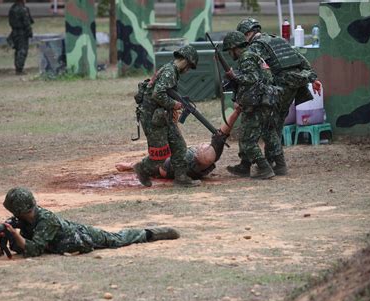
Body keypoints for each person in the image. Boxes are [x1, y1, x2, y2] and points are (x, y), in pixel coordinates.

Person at [236, 17, 322, 175]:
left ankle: (278, 164)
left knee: (269, 125)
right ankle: (272, 161)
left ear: (248, 33)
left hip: (280, 87)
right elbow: (301, 60)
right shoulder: (278, 40)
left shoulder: (256, 46)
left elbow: (251, 71)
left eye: (243, 37)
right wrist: (313, 79)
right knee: (277, 124)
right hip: (294, 86)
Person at [2, 187, 180, 257]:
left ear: (19, 210)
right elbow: (22, 248)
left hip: (81, 235)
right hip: (67, 238)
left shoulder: (45, 219)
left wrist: (16, 236)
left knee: (115, 239)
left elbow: (35, 250)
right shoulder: (25, 220)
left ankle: (150, 233)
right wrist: (10, 236)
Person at [133, 45, 201, 188]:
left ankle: (181, 177)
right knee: (160, 155)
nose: (187, 70)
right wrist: (174, 104)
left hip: (163, 116)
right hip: (153, 119)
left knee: (180, 146)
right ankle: (143, 168)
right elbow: (157, 94)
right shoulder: (170, 71)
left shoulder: (170, 69)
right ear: (185, 61)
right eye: (189, 66)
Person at [222, 31, 283, 179]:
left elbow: (252, 78)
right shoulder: (253, 55)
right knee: (269, 133)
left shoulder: (246, 57)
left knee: (248, 141)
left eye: (230, 51)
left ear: (235, 47)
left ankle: (265, 169)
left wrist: (234, 76)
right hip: (266, 101)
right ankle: (281, 165)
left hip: (258, 104)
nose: (230, 54)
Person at [116, 109, 239, 181]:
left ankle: (131, 165)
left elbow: (173, 149)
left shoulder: (186, 161)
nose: (201, 145)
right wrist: (237, 111)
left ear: (196, 156)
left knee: (157, 163)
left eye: (201, 147)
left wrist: (173, 123)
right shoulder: (211, 155)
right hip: (176, 165)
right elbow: (222, 133)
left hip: (166, 167)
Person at [8, 0, 34, 75]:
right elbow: (27, 22)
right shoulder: (23, 9)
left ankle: (17, 67)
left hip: (14, 32)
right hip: (22, 33)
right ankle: (19, 69)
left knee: (18, 50)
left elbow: (10, 21)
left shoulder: (12, 8)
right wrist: (30, 32)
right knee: (22, 50)